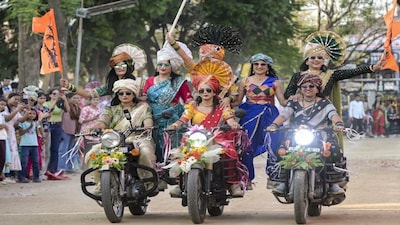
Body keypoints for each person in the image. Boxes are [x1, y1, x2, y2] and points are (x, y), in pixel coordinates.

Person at [284, 31, 386, 148]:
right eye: (312, 57)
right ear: (307, 60)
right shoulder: (297, 76)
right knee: (293, 145)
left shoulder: (331, 74)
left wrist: (373, 67)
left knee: (328, 145)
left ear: (324, 60)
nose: (316, 60)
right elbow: (288, 93)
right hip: (301, 113)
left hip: (323, 112)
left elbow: (352, 72)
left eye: (320, 57)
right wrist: (293, 96)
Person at [167, 75, 249, 197]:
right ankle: (181, 183)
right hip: (195, 137)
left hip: (217, 137)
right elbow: (182, 120)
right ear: (198, 93)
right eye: (202, 91)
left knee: (230, 151)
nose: (205, 93)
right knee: (179, 153)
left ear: (214, 91)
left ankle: (233, 183)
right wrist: (174, 125)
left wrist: (234, 124)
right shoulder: (192, 107)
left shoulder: (222, 107)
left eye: (208, 90)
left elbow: (230, 119)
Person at [267, 73, 346, 194]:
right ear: (300, 88)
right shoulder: (294, 102)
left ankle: (333, 183)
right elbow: (284, 115)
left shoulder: (325, 103)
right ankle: (282, 181)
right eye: (304, 86)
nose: (308, 88)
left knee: (333, 151)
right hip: (297, 135)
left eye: (311, 86)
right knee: (281, 149)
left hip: (321, 136)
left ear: (317, 88)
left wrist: (338, 124)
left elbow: (333, 115)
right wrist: (274, 125)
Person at [87, 79, 157, 194]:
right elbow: (103, 121)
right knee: (92, 154)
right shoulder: (111, 109)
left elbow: (148, 121)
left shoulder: (143, 107)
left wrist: (147, 126)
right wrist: (95, 128)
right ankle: (100, 183)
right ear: (117, 95)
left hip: (137, 138)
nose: (124, 96)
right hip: (114, 140)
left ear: (134, 94)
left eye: (128, 93)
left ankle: (148, 182)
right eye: (121, 93)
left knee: (145, 152)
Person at [231, 53, 287, 189]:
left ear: (268, 67)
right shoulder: (245, 81)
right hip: (249, 114)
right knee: (246, 145)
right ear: (253, 66)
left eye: (263, 64)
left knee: (273, 144)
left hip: (269, 114)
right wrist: (225, 99)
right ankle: (247, 178)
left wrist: (297, 98)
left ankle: (273, 176)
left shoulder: (275, 82)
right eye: (256, 64)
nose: (259, 67)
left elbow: (283, 102)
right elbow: (238, 101)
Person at [166, 24, 242, 107]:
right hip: (198, 109)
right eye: (204, 57)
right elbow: (186, 58)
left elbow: (234, 94)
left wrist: (228, 99)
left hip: (220, 110)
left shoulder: (228, 75)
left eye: (212, 57)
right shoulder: (197, 69)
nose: (208, 61)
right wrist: (173, 43)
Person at [143, 47, 193, 162]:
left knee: (171, 150)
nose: (162, 67)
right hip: (151, 120)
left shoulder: (178, 81)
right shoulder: (149, 81)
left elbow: (189, 100)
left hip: (171, 119)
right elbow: (144, 99)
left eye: (166, 65)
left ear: (172, 67)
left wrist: (184, 117)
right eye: (160, 64)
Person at [60, 51, 145, 99]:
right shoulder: (110, 86)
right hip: (115, 117)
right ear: (113, 68)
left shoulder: (138, 82)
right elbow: (88, 94)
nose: (120, 68)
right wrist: (68, 86)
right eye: (117, 66)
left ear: (128, 67)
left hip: (135, 117)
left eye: (123, 65)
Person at [43, 88, 68, 180]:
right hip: (49, 125)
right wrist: (54, 101)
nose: (55, 95)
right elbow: (49, 111)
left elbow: (67, 110)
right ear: (49, 95)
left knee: (55, 148)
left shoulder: (60, 104)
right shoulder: (46, 103)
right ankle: (45, 168)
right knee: (47, 148)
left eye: (57, 94)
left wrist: (64, 99)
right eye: (54, 94)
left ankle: (53, 168)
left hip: (58, 125)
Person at [17, 109, 44, 183]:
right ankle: (22, 177)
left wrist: (42, 138)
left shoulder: (35, 123)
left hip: (34, 144)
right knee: (24, 161)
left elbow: (39, 132)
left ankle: (36, 177)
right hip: (25, 144)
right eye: (30, 113)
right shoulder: (22, 123)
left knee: (36, 161)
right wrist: (29, 128)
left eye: (33, 114)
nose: (31, 115)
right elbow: (21, 133)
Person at [57, 92, 81, 174]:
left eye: (78, 98)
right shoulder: (65, 106)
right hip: (66, 129)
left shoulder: (77, 107)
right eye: (74, 98)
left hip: (73, 130)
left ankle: (69, 167)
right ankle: (61, 167)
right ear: (68, 99)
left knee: (71, 150)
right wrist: (65, 100)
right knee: (63, 150)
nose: (77, 100)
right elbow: (68, 111)